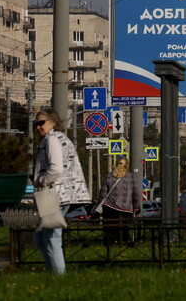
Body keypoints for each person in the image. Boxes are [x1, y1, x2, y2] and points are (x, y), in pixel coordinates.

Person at [33, 108, 90, 275]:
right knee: (42, 237)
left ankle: (59, 275)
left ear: (53, 122)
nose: (38, 127)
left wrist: (41, 180)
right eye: (36, 123)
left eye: (41, 122)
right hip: (62, 193)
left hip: (55, 194)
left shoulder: (52, 140)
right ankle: (56, 272)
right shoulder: (59, 139)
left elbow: (56, 169)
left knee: (51, 237)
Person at [97, 157, 141, 245]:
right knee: (123, 229)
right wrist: (136, 208)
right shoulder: (131, 177)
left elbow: (102, 194)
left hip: (109, 208)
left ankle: (108, 246)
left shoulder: (109, 176)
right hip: (125, 209)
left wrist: (100, 205)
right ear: (127, 165)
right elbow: (136, 194)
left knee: (109, 229)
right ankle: (122, 244)